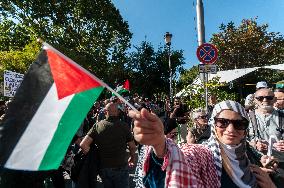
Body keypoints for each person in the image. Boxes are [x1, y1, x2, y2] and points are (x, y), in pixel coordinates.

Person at [129, 100, 276, 188]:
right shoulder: (205, 154)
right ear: (213, 125)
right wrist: (160, 146)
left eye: (239, 124)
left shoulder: (247, 153)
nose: (231, 129)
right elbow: (182, 160)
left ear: (245, 129)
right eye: (223, 122)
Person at [80, 102, 136, 188]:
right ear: (117, 112)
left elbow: (83, 145)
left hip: (104, 167)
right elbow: (132, 147)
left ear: (105, 112)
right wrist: (132, 158)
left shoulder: (97, 126)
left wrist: (94, 155)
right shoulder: (124, 126)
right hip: (120, 165)